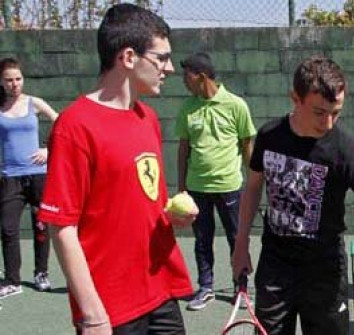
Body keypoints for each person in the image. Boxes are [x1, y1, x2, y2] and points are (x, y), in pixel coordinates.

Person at [37, 4, 196, 334]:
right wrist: (92, 314)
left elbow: (138, 199)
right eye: (161, 58)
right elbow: (61, 228)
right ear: (128, 57)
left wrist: (170, 217)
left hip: (161, 292)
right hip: (110, 309)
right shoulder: (74, 126)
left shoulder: (147, 118)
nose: (168, 68)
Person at [231, 56, 354, 335]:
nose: (328, 122)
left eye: (336, 112)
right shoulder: (269, 136)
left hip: (325, 269)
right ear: (295, 98)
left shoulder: (344, 147)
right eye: (319, 112)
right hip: (275, 265)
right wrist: (241, 243)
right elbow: (253, 187)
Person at [176, 52, 256, 311]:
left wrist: (255, 182)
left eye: (186, 75)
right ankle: (206, 287)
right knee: (202, 240)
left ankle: (241, 288)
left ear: (200, 77)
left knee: (237, 238)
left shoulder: (236, 105)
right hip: (197, 187)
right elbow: (183, 149)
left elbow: (247, 145)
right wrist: (181, 188)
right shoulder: (187, 108)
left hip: (230, 186)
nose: (183, 80)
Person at [0, 57, 59, 298]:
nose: (14, 84)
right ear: (1, 83)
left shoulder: (34, 103)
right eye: (9, 80)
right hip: (9, 178)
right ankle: (12, 281)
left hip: (37, 176)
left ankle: (41, 273)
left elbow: (62, 123)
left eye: (18, 79)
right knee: (8, 229)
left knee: (41, 225)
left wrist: (48, 149)